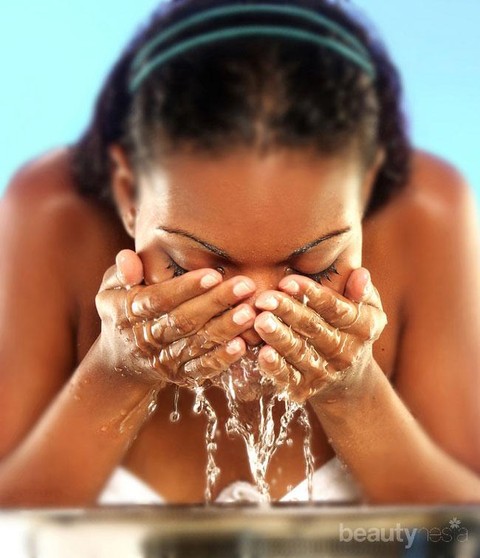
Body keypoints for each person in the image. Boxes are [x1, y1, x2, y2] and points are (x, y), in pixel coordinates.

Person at [0, 0, 479, 507]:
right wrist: (117, 371)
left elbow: (463, 526)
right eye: (189, 266)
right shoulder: (54, 214)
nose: (256, 317)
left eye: (315, 267)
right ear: (129, 194)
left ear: (364, 190)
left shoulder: (427, 216)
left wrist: (354, 391)